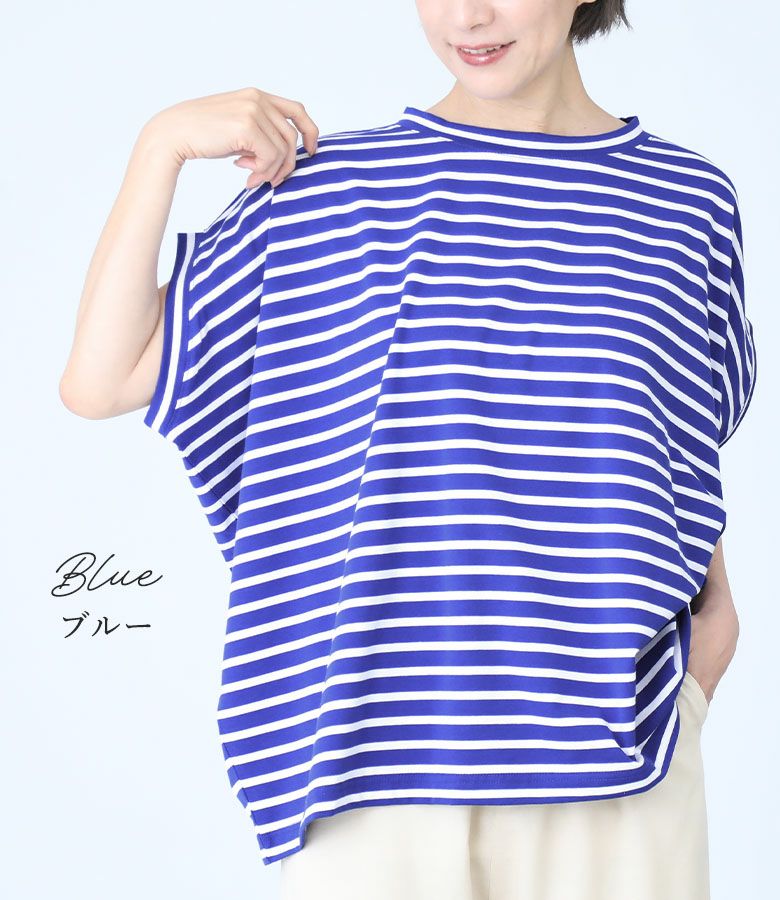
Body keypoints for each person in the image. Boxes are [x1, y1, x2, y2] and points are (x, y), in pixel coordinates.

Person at [60, 1, 758, 898]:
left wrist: (706, 655)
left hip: (619, 767)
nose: (469, 15)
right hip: (367, 770)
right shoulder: (331, 189)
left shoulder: (687, 202)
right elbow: (104, 378)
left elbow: (678, 447)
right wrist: (158, 147)